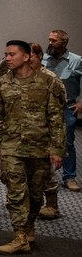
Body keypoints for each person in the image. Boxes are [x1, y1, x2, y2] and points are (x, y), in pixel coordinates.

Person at [0, 40, 65, 254]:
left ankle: (29, 226)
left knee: (35, 194)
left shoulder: (48, 82)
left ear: (26, 56)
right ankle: (20, 236)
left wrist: (57, 149)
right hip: (11, 147)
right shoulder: (2, 83)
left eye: (12, 54)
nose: (7, 58)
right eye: (6, 54)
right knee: (15, 192)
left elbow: (56, 118)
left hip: (40, 147)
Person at [43, 29, 82, 193]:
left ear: (64, 42)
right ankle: (44, 175)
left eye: (54, 40)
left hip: (66, 106)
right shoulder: (43, 59)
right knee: (42, 140)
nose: (50, 43)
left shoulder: (76, 60)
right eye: (49, 39)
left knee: (67, 142)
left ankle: (69, 177)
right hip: (44, 107)